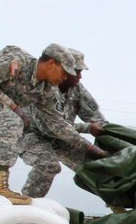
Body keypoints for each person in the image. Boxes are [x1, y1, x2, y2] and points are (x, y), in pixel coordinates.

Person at [0, 44, 109, 204]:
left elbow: (57, 124)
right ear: (51, 64)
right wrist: (15, 107)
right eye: (65, 72)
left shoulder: (46, 91)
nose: (66, 77)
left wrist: (91, 148)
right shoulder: (18, 62)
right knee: (11, 121)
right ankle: (1, 186)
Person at [18, 48, 109, 197]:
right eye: (76, 72)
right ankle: (26, 205)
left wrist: (110, 135)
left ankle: (115, 204)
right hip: (32, 134)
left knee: (95, 167)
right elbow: (50, 127)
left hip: (64, 137)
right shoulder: (42, 89)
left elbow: (97, 119)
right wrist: (88, 131)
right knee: (48, 165)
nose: (79, 77)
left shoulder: (77, 90)